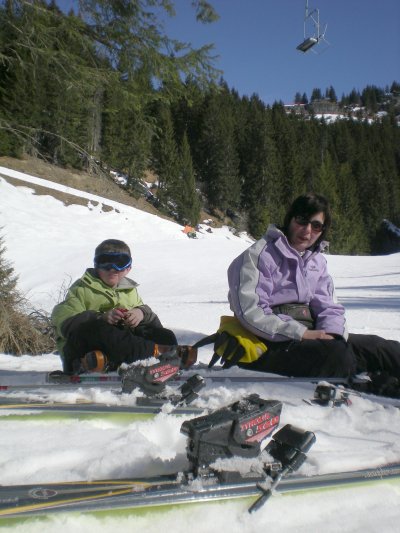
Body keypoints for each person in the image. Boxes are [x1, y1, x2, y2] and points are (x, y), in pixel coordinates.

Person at [226, 193, 400, 395]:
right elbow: (251, 311)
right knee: (338, 356)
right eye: (302, 220)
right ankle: (378, 389)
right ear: (290, 219)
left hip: (312, 337)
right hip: (269, 343)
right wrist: (302, 334)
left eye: (316, 226)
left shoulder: (316, 261)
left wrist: (332, 334)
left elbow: (329, 306)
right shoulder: (259, 255)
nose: (307, 230)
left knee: (381, 348)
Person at [52, 239, 195, 374]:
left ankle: (165, 364)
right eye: (105, 263)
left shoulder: (130, 291)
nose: (112, 269)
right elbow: (64, 320)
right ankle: (161, 354)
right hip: (82, 353)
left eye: (119, 263)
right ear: (96, 265)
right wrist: (100, 317)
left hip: (119, 350)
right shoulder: (81, 288)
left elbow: (154, 325)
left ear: (128, 268)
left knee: (163, 334)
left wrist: (141, 313)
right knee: (101, 330)